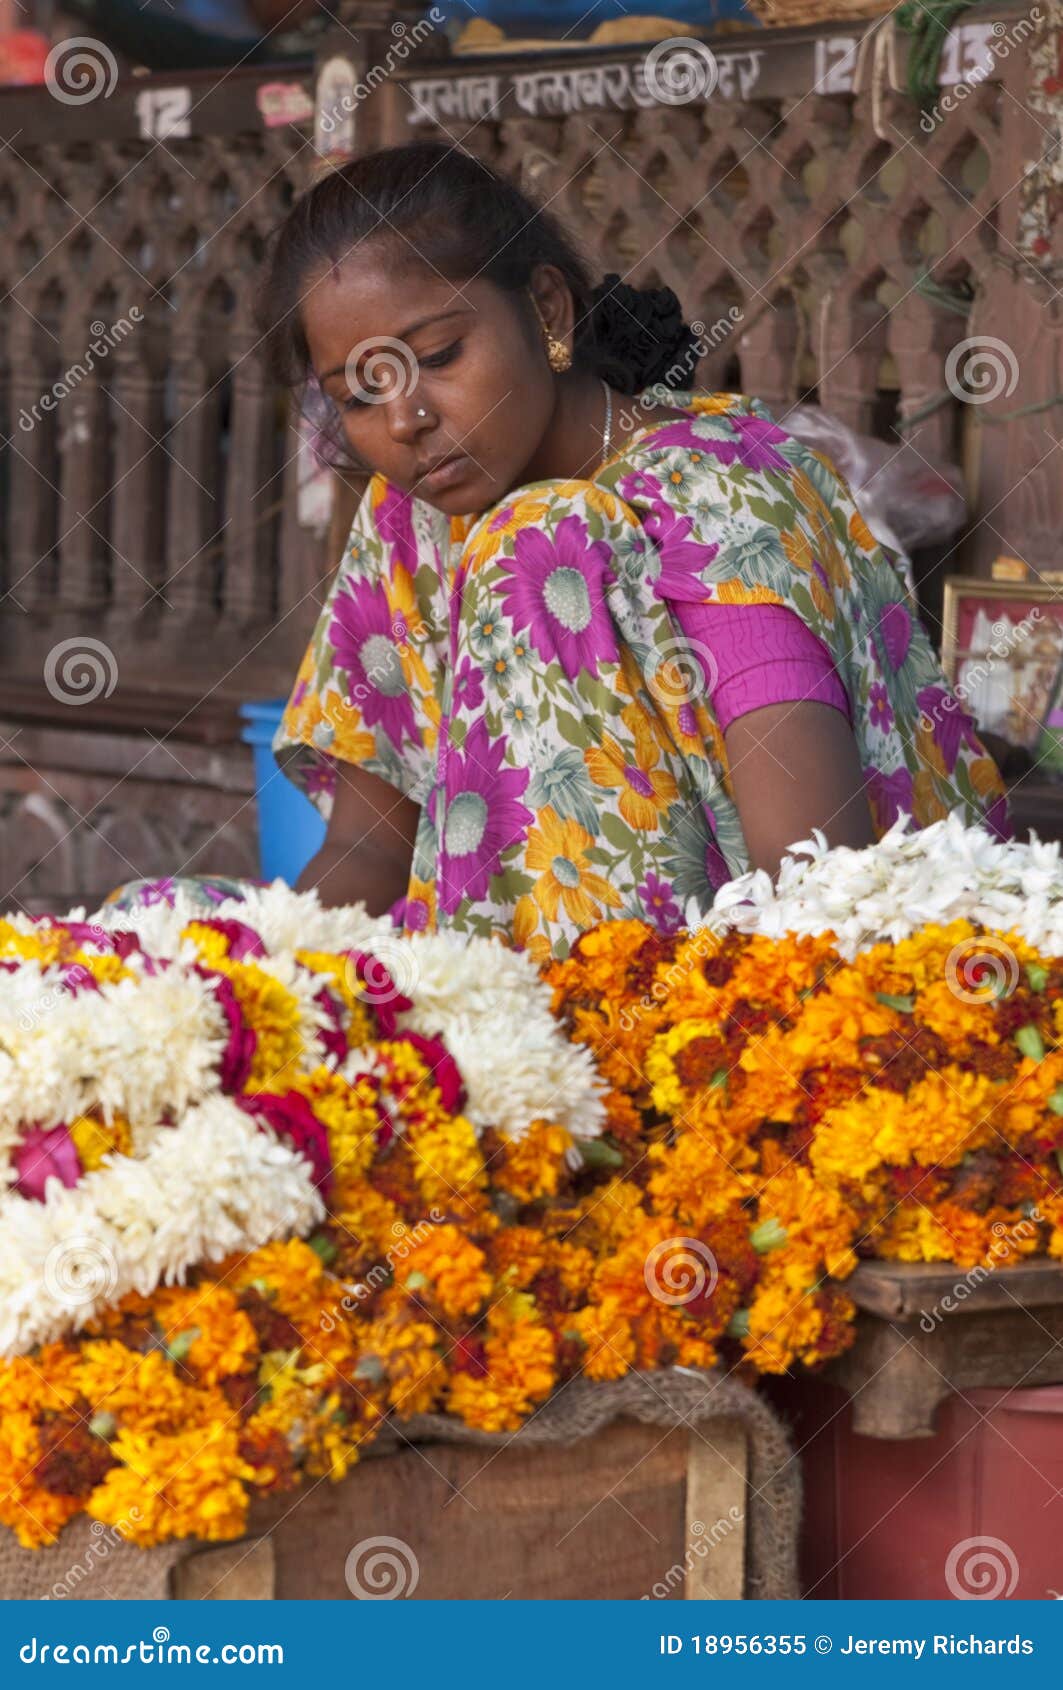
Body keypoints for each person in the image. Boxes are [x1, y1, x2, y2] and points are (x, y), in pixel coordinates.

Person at [104, 141, 1010, 959]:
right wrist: (263, 985)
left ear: (545, 307)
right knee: (150, 934)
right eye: (358, 395)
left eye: (442, 356)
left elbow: (819, 871)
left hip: (743, 969)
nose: (407, 421)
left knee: (537, 542)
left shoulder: (720, 496)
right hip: (486, 975)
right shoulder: (408, 516)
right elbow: (371, 849)